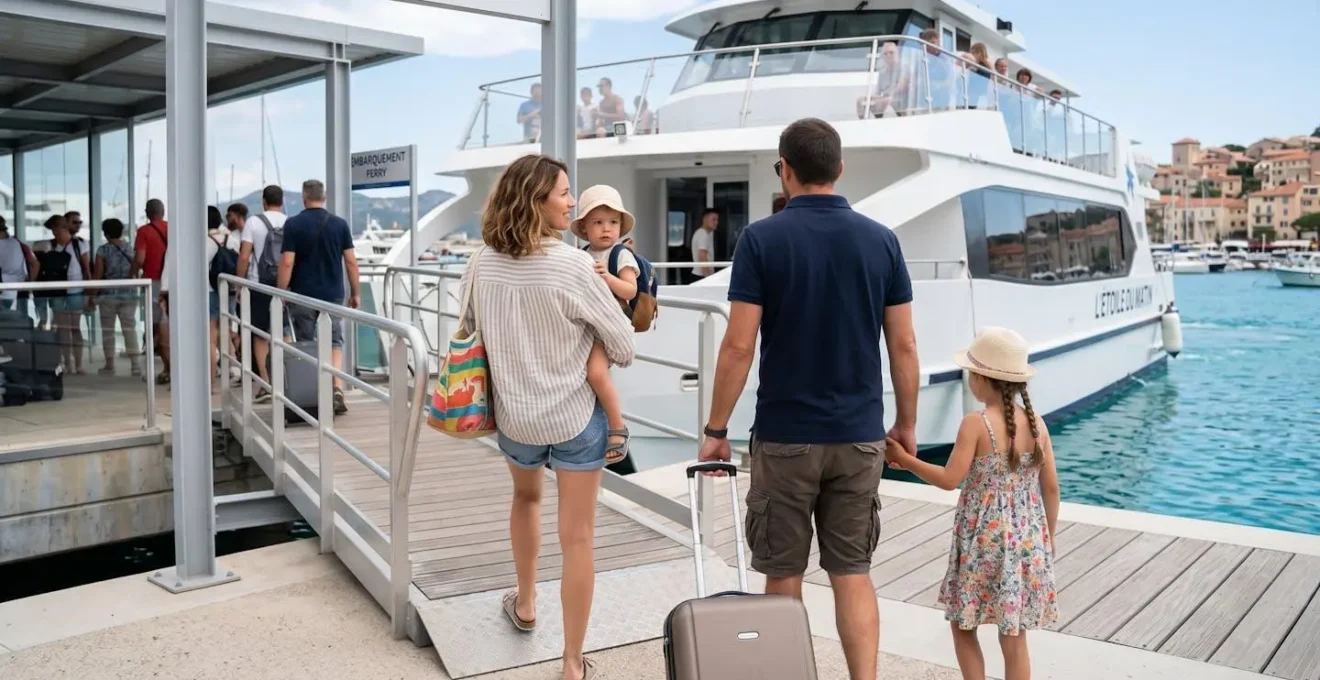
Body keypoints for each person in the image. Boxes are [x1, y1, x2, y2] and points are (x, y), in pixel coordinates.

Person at [696, 118, 919, 680]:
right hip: (859, 436)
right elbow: (904, 345)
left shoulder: (761, 240)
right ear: (839, 169)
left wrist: (716, 429)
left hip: (786, 436)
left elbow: (738, 345)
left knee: (783, 573)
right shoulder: (882, 241)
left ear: (785, 171)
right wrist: (906, 424)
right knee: (853, 572)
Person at [470, 154, 633, 680]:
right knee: (578, 536)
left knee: (525, 499)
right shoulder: (574, 266)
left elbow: (469, 328)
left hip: (515, 416)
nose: (572, 201)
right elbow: (624, 345)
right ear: (536, 199)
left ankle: (524, 603)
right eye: (564, 192)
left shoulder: (481, 262)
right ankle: (571, 662)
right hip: (575, 419)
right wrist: (592, 346)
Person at [884, 327, 1059, 680]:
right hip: (1028, 543)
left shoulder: (975, 424)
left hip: (983, 542)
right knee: (1014, 635)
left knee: (964, 625)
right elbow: (1051, 489)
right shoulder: (1037, 425)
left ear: (979, 378)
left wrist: (905, 460)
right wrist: (1048, 538)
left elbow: (950, 479)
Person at [276, 179, 359, 416]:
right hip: (332, 295)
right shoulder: (339, 224)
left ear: (304, 198)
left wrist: (280, 292)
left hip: (302, 295)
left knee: (306, 341)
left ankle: (312, 392)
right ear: (324, 198)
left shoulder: (293, 224)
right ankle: (336, 388)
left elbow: (287, 262)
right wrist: (355, 293)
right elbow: (351, 262)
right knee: (334, 341)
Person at [571, 184, 639, 466]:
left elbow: (630, 290)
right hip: (585, 324)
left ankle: (617, 426)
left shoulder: (620, 255)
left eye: (612, 222)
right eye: (598, 222)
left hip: (607, 327)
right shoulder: (582, 254)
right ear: (584, 227)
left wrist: (607, 278)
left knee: (596, 374)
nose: (606, 229)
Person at [238, 185, 287, 403]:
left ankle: (266, 384)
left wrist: (239, 283)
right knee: (283, 333)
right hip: (283, 286)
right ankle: (286, 380)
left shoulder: (253, 222)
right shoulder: (289, 222)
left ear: (264, 201)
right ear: (282, 201)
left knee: (260, 335)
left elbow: (244, 256)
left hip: (258, 285)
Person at [33, 214, 91, 375]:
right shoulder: (49, 246)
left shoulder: (79, 244)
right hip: (58, 292)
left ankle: (78, 363)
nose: (54, 233)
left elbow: (86, 269)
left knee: (74, 327)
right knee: (64, 328)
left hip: (76, 291)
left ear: (62, 228)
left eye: (56, 229)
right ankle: (67, 363)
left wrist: (90, 292)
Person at [90, 218, 141, 377]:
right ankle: (135, 365)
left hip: (108, 295)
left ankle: (110, 364)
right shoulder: (130, 248)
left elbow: (98, 275)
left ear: (106, 233)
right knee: (129, 329)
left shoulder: (102, 251)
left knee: (108, 331)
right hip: (129, 293)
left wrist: (92, 296)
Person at [134, 198, 170, 385]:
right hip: (173, 282)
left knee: (157, 326)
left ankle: (168, 368)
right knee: (169, 324)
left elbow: (140, 258)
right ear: (163, 212)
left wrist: (132, 273)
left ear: (147, 213)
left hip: (153, 282)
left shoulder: (143, 231)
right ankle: (172, 368)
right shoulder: (172, 228)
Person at [856, 41, 906, 119]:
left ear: (897, 54)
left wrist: (889, 96)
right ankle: (863, 122)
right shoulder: (882, 72)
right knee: (861, 100)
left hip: (900, 99)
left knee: (885, 101)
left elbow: (902, 86)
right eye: (885, 53)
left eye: (891, 53)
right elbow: (878, 92)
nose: (888, 55)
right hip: (885, 98)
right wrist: (870, 97)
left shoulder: (904, 67)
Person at [0, 216, 38, 315]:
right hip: (20, 289)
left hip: (4, 291)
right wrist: (30, 285)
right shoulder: (18, 243)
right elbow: (35, 264)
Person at [687, 208, 719, 285]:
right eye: (713, 219)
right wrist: (708, 278)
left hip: (700, 275)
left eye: (717, 220)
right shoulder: (703, 234)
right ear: (705, 219)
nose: (716, 222)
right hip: (701, 276)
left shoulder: (702, 233)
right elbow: (702, 256)